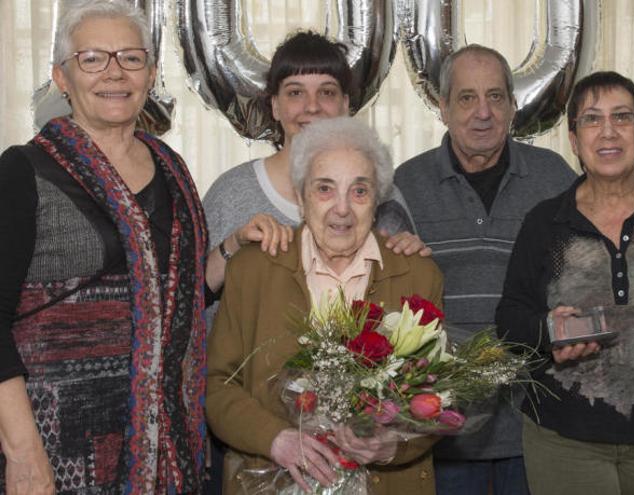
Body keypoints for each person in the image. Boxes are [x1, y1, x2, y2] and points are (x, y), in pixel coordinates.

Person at [0, 1, 286, 493]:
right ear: (62, 78)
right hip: (57, 447)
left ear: (151, 74)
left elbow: (180, 298)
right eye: (93, 58)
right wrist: (23, 454)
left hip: (168, 447)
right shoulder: (24, 172)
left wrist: (234, 246)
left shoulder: (172, 171)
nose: (114, 72)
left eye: (130, 58)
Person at [495, 71, 634, 495]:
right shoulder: (545, 223)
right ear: (573, 140)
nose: (608, 131)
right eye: (591, 119)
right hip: (565, 442)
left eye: (622, 117)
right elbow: (509, 319)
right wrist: (550, 331)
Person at [207, 116, 444, 495]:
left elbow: (436, 397)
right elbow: (218, 385)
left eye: (360, 191)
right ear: (300, 199)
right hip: (272, 483)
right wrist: (274, 438)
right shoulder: (252, 270)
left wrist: (393, 443)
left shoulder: (418, 275)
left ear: (378, 201)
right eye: (325, 189)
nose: (342, 209)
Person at [394, 44, 576, 494]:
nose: (483, 113)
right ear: (443, 107)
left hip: (536, 428)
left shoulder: (554, 178)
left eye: (496, 97)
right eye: (467, 98)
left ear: (513, 106)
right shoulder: (405, 184)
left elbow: (581, 283)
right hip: (443, 431)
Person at [201, 31, 426, 273]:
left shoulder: (382, 195)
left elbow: (402, 290)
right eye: (295, 93)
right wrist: (233, 245)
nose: (312, 106)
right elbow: (195, 294)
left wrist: (410, 254)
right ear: (275, 106)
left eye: (327, 92)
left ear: (345, 105)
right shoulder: (231, 193)